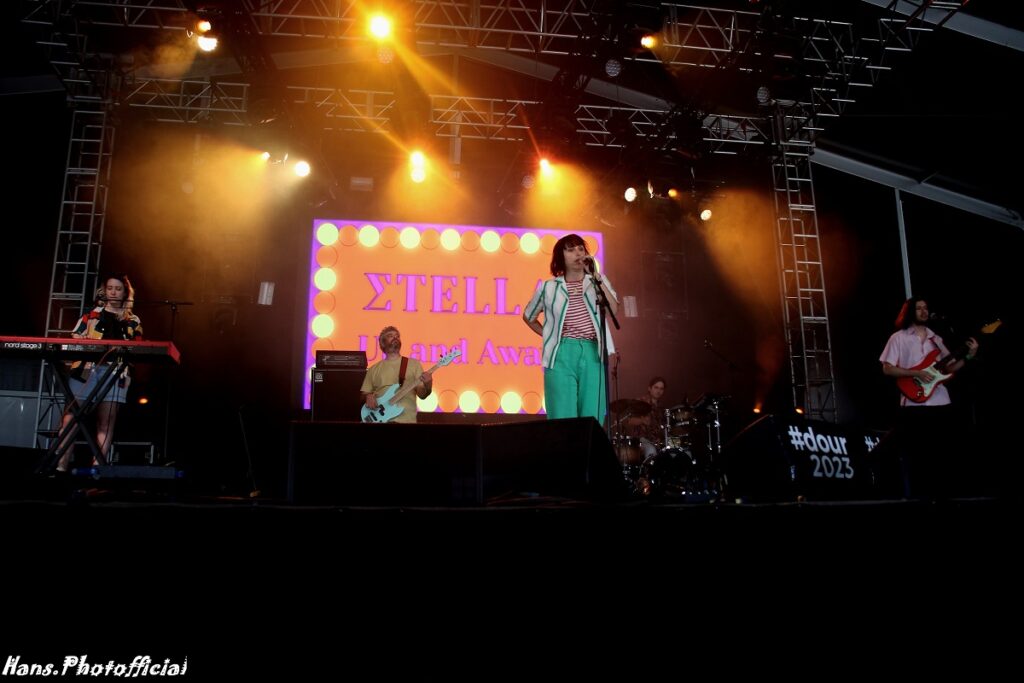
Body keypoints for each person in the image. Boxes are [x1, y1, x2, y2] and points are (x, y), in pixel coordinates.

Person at [878, 296, 978, 498]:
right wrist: (916, 373)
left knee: (941, 453)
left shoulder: (936, 339)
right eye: (919, 308)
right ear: (910, 312)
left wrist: (969, 356)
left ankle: (942, 496)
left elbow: (949, 369)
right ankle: (916, 497)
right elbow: (887, 369)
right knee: (915, 454)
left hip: (940, 401)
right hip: (913, 403)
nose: (924, 312)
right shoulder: (898, 338)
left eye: (926, 308)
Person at [522, 233, 619, 421]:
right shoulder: (549, 287)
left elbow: (613, 309)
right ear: (561, 257)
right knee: (562, 415)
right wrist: (549, 334)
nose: (578, 253)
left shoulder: (597, 282)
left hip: (593, 351)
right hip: (561, 352)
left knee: (592, 414)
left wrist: (596, 276)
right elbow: (528, 316)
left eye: (581, 249)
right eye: (571, 250)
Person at [56, 274, 143, 472]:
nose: (113, 292)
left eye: (118, 289)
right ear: (104, 290)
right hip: (86, 370)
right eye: (110, 288)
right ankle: (60, 466)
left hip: (116, 372)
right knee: (70, 419)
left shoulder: (133, 320)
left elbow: (138, 349)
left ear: (125, 293)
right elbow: (75, 335)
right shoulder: (91, 314)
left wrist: (129, 374)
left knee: (106, 422)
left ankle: (98, 468)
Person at [360, 326, 433, 424]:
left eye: (397, 336)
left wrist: (428, 384)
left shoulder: (414, 364)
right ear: (383, 343)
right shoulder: (373, 369)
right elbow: (363, 395)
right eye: (390, 336)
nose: (395, 338)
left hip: (407, 422)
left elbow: (422, 395)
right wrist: (368, 396)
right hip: (380, 422)